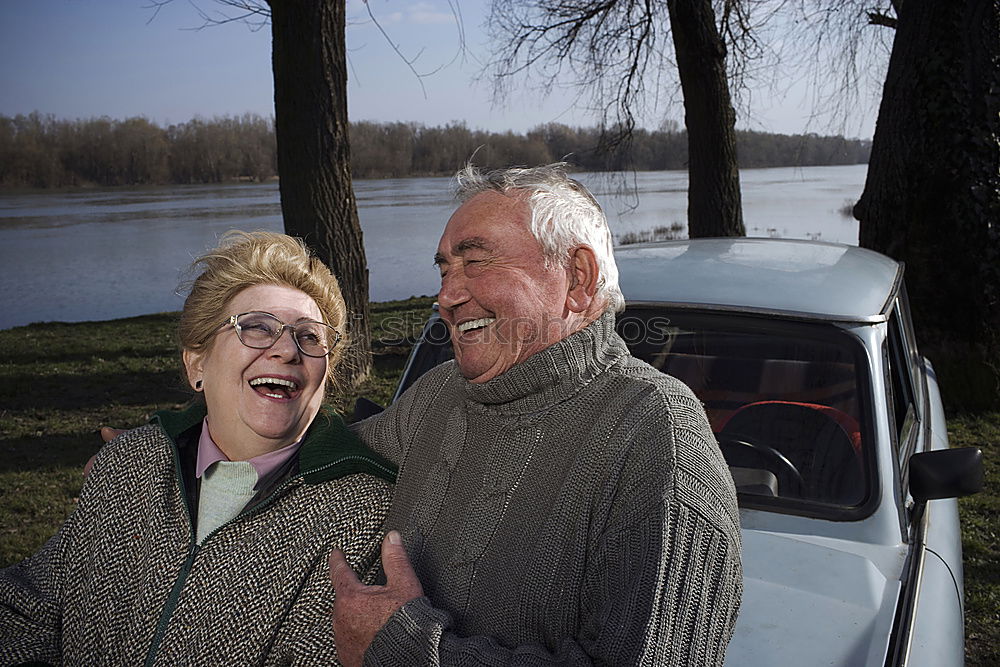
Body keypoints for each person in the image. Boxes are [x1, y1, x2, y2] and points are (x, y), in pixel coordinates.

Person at [330, 163, 743, 666]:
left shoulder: (659, 434)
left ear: (577, 279)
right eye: (444, 270)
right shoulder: (440, 393)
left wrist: (405, 650)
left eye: (476, 262)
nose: (446, 297)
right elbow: (326, 456)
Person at [0, 231, 395, 664]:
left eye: (310, 337)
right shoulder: (130, 463)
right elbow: (26, 606)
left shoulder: (361, 515)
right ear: (198, 364)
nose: (287, 349)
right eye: (257, 327)